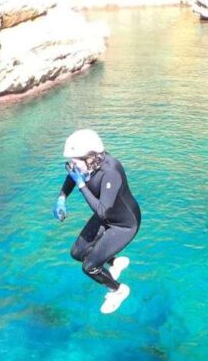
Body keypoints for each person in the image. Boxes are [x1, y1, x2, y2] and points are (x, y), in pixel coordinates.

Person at [52, 129, 141, 314]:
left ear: (91, 157)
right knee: (77, 253)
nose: (72, 166)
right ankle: (116, 262)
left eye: (75, 161)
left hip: (124, 224)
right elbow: (72, 176)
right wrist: (62, 198)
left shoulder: (111, 171)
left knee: (90, 267)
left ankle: (118, 290)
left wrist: (82, 185)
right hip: (106, 216)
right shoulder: (85, 164)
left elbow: (102, 211)